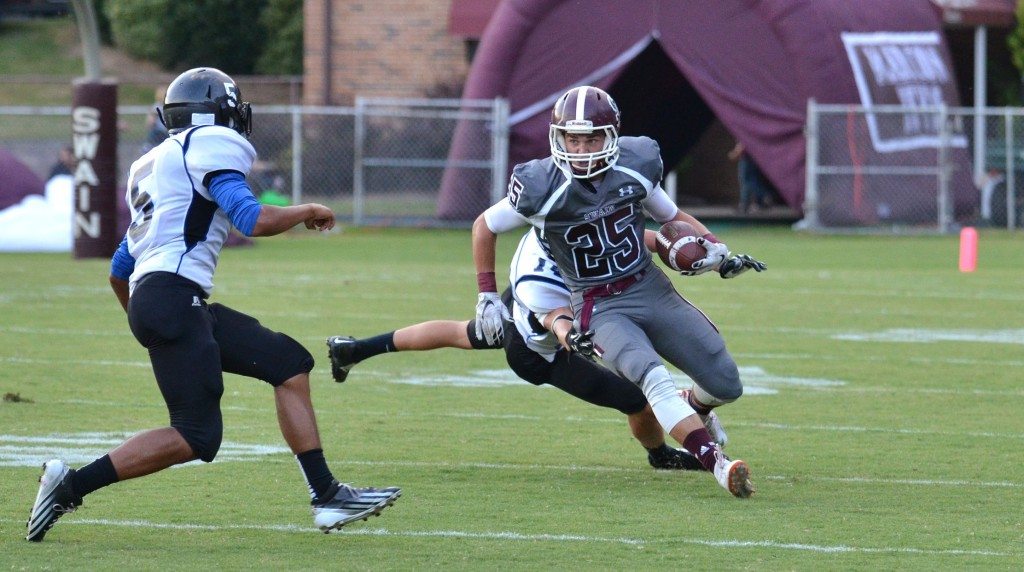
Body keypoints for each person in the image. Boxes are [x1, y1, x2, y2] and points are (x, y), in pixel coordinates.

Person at [25, 68, 400, 542]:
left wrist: (147, 320)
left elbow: (120, 268)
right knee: (196, 436)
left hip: (166, 300)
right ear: (219, 113)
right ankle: (69, 486)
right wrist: (307, 210)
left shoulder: (156, 162)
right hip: (173, 300)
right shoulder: (209, 149)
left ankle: (326, 495)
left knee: (289, 363)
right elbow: (251, 219)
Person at [472, 86, 766, 498]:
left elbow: (671, 218)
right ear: (558, 138)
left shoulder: (635, 164)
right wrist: (487, 294)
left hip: (650, 288)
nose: (581, 149)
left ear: (611, 135)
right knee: (654, 381)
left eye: (591, 138)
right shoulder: (540, 186)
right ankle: (715, 462)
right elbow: (484, 225)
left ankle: (695, 406)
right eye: (572, 138)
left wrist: (717, 250)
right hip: (598, 305)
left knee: (726, 383)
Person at [327, 228, 715, 472]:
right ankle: (659, 455)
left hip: (523, 305)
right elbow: (560, 324)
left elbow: (629, 235)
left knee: (466, 333)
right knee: (637, 398)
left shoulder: (560, 227)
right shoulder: (544, 284)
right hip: (539, 348)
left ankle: (356, 350)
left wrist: (678, 245)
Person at [728, 141, 777, 213]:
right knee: (752, 180)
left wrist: (735, 153)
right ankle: (754, 203)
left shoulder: (745, 131)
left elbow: (743, 142)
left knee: (747, 181)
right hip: (754, 157)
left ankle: (763, 196)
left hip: (747, 158)